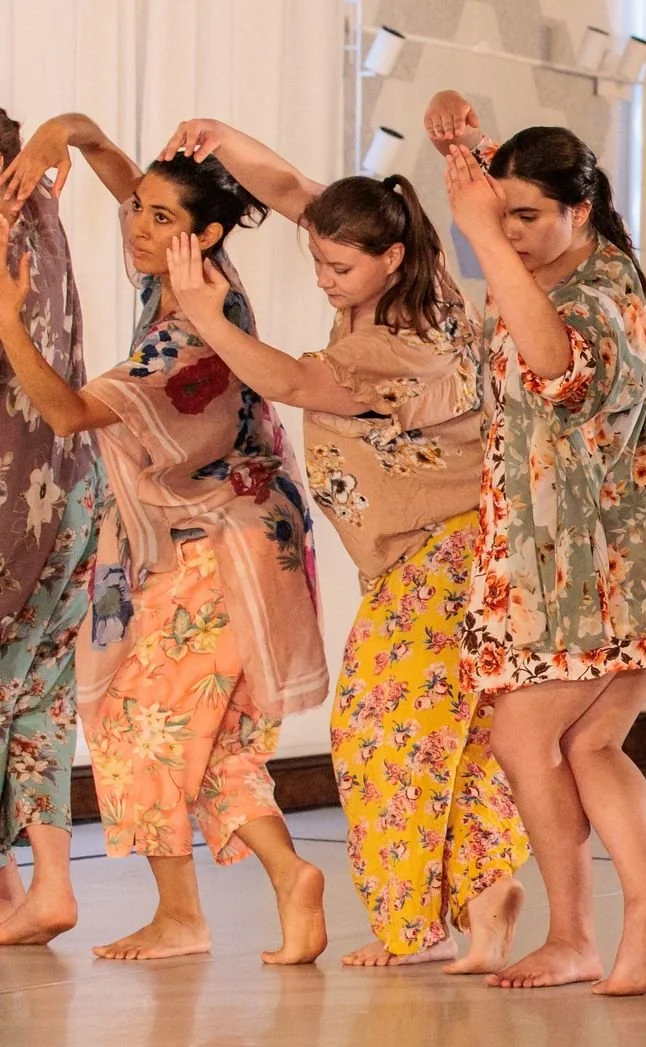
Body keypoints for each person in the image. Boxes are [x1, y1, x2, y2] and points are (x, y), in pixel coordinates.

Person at [152, 116, 530, 971]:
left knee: (370, 732)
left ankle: (423, 924)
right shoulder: (417, 277)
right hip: (443, 553)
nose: (324, 280)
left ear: (388, 258)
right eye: (317, 262)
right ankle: (482, 891)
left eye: (340, 267)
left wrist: (209, 314)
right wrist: (225, 139)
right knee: (450, 736)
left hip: (441, 555)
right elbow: (294, 194)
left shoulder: (395, 344)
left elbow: (287, 379)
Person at [0, 113, 330, 963]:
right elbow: (128, 185)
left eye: (158, 220)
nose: (136, 228)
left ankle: (187, 914)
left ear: (206, 234)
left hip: (225, 543)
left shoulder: (190, 330)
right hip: (231, 531)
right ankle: (285, 879)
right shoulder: (190, 270)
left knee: (128, 717)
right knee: (210, 737)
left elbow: (69, 412)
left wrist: (6, 322)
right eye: (138, 210)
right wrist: (69, 132)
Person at [426, 90, 646, 995]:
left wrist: (482, 235)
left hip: (605, 569)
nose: (508, 233)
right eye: (499, 214)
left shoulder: (602, 289)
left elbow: (559, 371)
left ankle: (575, 933)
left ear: (580, 210)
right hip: (568, 565)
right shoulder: (548, 270)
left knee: (524, 737)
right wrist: (466, 138)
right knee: (589, 747)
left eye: (528, 216)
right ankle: (642, 906)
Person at [0, 108, 104, 946]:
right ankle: (45, 883)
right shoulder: (43, 213)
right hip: (72, 487)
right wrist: (57, 132)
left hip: (10, 494)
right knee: (39, 693)